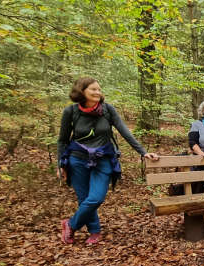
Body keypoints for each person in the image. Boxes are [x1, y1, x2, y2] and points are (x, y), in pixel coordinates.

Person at [57, 77, 159, 245]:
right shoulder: (71, 112)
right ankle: (95, 231)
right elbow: (62, 140)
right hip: (77, 159)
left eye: (99, 89)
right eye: (93, 89)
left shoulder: (107, 110)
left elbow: (124, 131)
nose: (98, 92)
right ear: (82, 91)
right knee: (84, 199)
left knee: (96, 198)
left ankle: (70, 224)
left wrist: (143, 152)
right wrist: (61, 164)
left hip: (103, 158)